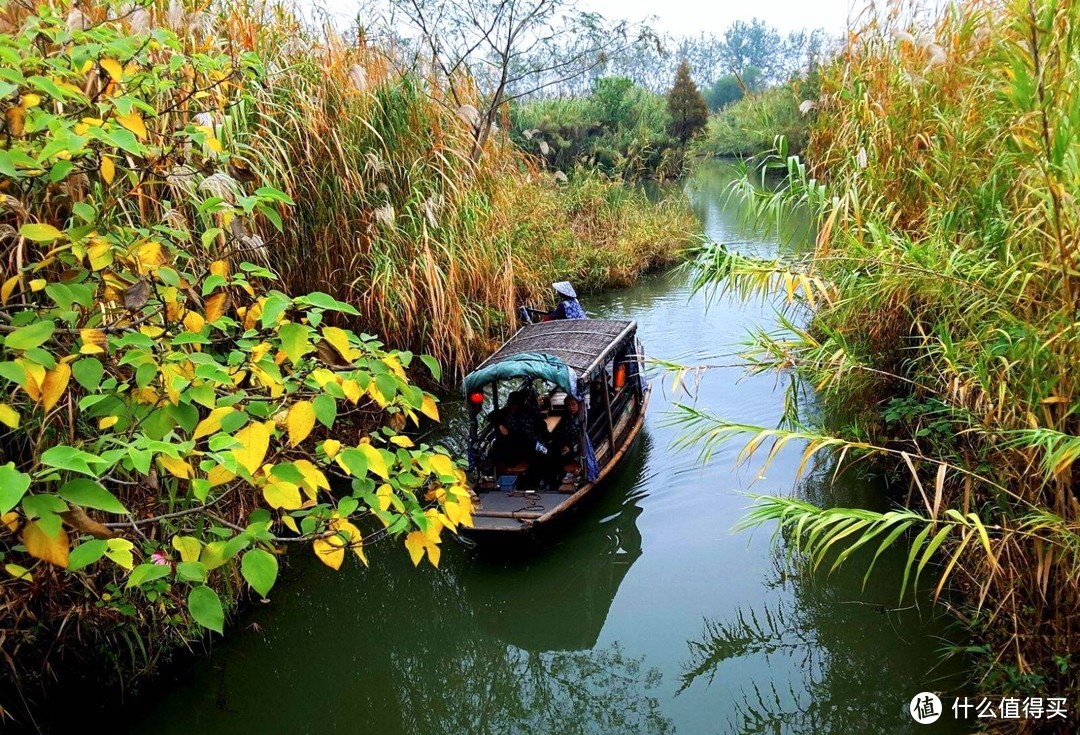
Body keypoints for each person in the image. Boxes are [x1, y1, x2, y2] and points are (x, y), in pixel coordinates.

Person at [545, 395, 583, 490]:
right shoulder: (566, 417)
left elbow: (581, 436)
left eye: (573, 405)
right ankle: (552, 483)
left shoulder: (582, 418)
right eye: (569, 405)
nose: (571, 407)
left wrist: (570, 447)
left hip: (578, 449)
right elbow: (562, 433)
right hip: (566, 446)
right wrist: (564, 445)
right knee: (551, 454)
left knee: (560, 459)